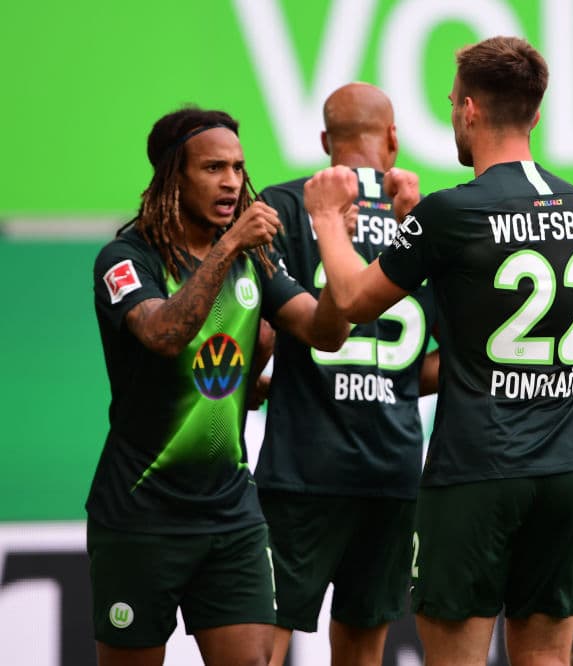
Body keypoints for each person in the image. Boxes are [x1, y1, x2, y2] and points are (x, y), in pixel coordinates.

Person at [305, 35, 573, 666]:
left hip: (477, 468)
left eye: (449, 104)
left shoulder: (452, 212)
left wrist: (330, 220)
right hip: (569, 467)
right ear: (537, 112)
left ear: (468, 110)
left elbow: (356, 301)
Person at [88, 107, 349, 666]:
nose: (232, 181)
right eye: (213, 168)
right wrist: (229, 247)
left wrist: (333, 247)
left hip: (230, 511)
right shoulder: (126, 259)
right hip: (140, 513)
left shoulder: (256, 259)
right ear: (172, 178)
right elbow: (164, 334)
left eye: (238, 167)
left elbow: (326, 332)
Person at [253, 82, 437, 666]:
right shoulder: (427, 220)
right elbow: (460, 353)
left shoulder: (285, 206)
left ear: (326, 141)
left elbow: (260, 326)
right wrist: (401, 380)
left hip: (303, 467)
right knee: (362, 649)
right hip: (393, 466)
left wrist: (259, 379)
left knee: (266, 640)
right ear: (393, 139)